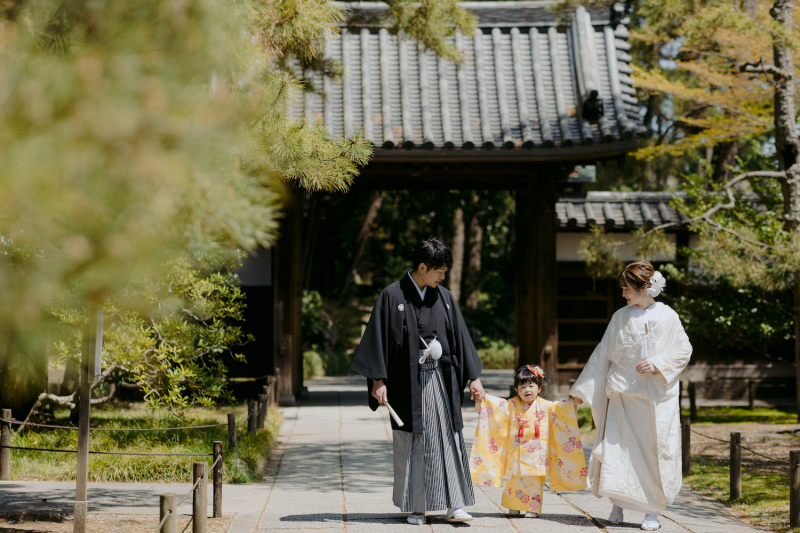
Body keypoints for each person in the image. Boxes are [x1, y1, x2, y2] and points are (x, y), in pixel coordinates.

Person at [349, 237, 485, 525]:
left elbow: (461, 336)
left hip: (442, 380)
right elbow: (378, 340)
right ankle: (416, 506)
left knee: (449, 437)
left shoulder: (445, 298)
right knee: (415, 440)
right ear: (422, 267)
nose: (443, 276)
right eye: (439, 271)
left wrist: (474, 378)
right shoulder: (392, 295)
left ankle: (454, 504)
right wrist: (377, 380)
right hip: (407, 383)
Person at [569, 261, 692, 531]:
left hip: (653, 398)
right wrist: (581, 391)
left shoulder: (668, 316)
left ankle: (652, 512)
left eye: (627, 289)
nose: (624, 294)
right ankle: (617, 506)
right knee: (618, 452)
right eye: (623, 289)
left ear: (645, 287)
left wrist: (658, 363)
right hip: (621, 395)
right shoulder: (620, 317)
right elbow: (603, 353)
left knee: (651, 453)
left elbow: (683, 350)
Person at [470, 365, 587, 518]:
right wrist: (483, 399)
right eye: (522, 387)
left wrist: (572, 403)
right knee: (514, 479)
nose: (527, 390)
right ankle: (514, 505)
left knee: (535, 481)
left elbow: (562, 409)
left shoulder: (547, 406)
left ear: (539, 388)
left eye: (531, 386)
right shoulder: (510, 405)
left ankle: (533, 508)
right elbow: (495, 408)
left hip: (537, 452)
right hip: (516, 451)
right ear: (516, 389)